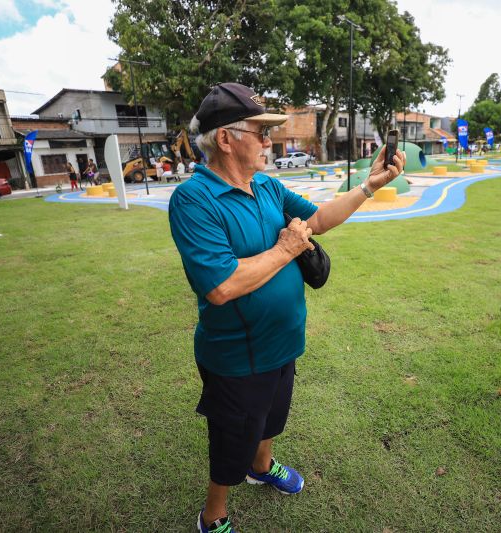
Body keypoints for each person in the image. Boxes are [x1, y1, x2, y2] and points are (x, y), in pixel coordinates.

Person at [168, 82, 405, 533]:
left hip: (284, 341)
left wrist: (368, 188)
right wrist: (287, 248)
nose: (268, 140)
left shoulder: (268, 187)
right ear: (225, 139)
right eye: (259, 131)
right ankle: (213, 514)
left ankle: (264, 465)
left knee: (272, 417)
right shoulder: (193, 200)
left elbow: (317, 220)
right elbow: (220, 286)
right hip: (237, 356)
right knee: (230, 438)